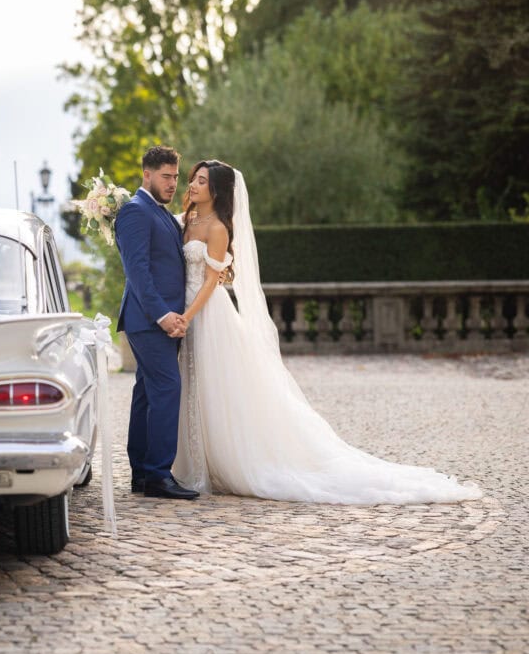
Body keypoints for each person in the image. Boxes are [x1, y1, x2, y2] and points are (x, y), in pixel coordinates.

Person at [170, 160, 482, 504]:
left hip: (207, 314)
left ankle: (224, 459)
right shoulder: (185, 220)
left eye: (202, 181)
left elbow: (213, 282)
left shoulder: (217, 228)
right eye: (194, 179)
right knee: (189, 383)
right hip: (181, 308)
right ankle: (191, 458)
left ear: (217, 190)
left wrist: (187, 315)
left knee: (215, 385)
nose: (194, 185)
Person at [114, 146, 199, 500]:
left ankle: (144, 475)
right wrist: (164, 316)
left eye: (176, 177)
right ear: (146, 174)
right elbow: (138, 273)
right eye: (166, 176)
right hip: (149, 320)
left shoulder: (161, 213)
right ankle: (158, 474)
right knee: (167, 389)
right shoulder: (135, 211)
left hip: (157, 320)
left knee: (148, 393)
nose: (172, 183)